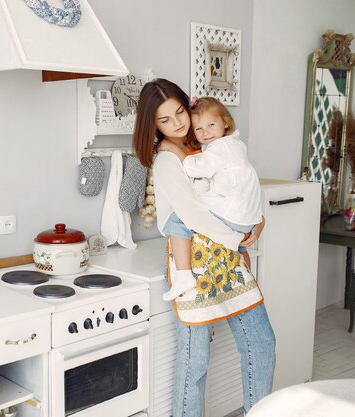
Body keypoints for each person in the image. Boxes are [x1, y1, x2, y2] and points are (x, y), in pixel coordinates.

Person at [132, 78, 275, 417]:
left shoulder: (208, 144)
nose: (177, 123)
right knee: (195, 362)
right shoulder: (167, 160)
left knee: (262, 343)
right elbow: (191, 214)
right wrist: (237, 239)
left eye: (180, 112)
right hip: (193, 268)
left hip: (226, 259)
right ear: (152, 126)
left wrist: (258, 218)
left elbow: (238, 186)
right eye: (165, 120)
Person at [158, 96, 262, 301]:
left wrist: (173, 149)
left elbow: (197, 167)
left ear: (226, 122)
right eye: (198, 129)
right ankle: (247, 282)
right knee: (240, 252)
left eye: (211, 125)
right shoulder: (236, 145)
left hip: (233, 212)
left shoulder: (221, 148)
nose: (205, 133)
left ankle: (184, 276)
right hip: (246, 216)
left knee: (177, 219)